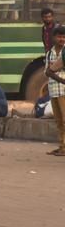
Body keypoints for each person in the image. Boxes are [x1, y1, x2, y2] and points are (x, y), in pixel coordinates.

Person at [45, 26, 65, 157]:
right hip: (53, 90)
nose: (61, 39)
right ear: (54, 37)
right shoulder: (49, 53)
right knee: (58, 120)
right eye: (59, 36)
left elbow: (51, 71)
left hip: (63, 91)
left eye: (63, 37)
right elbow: (47, 71)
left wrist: (54, 73)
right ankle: (62, 146)